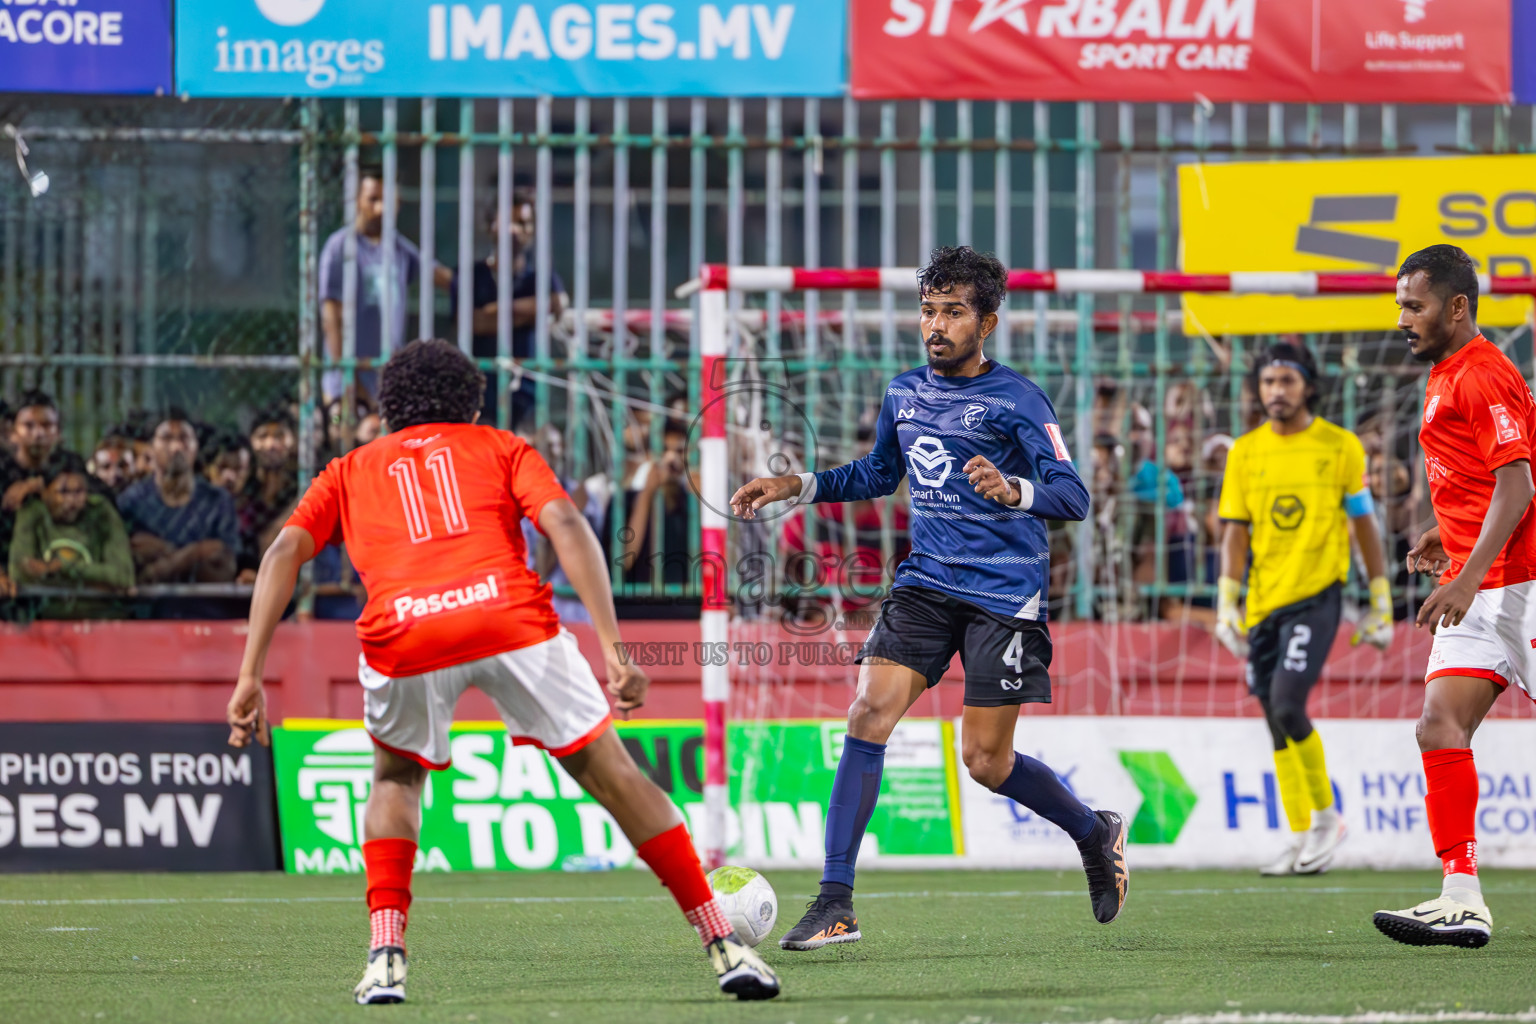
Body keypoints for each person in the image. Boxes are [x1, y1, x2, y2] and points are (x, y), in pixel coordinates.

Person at [225, 339, 779, 1004]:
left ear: (389, 406)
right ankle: (722, 944)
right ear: (472, 401)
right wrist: (611, 645)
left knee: (396, 778)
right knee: (611, 771)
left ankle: (385, 958)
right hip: (507, 618)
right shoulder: (501, 447)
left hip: (403, 631)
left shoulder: (348, 468)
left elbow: (286, 548)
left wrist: (250, 673)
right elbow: (566, 523)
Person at [731, 246, 1127, 951]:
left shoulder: (1019, 400)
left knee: (985, 762)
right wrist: (794, 485)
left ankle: (1094, 831)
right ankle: (835, 902)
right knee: (866, 712)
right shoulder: (903, 391)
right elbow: (881, 472)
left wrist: (1016, 490)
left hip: (1004, 597)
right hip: (926, 584)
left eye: (952, 311)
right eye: (928, 310)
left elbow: (1074, 495)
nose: (935, 324)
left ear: (988, 322)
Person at [1372, 245, 1536, 948]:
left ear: (1457, 307)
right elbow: (1483, 477)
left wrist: (1467, 576)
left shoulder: (1483, 375)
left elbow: (1520, 485)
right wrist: (1447, 532)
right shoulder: (1446, 373)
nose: (1403, 318)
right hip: (1476, 586)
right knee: (1438, 726)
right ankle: (1461, 895)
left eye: (1416, 305)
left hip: (1516, 587)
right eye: (1401, 304)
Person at [1215, 342, 1394, 877]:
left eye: (1286, 382)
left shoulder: (1340, 447)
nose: (1276, 391)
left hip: (1318, 596)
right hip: (1263, 602)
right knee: (1273, 718)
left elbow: (1363, 523)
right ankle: (1298, 834)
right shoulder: (1245, 451)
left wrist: (1380, 598)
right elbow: (1234, 532)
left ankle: (1327, 819)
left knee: (1289, 705)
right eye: (1268, 382)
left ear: (1308, 387)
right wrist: (1227, 600)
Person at [320, 165, 453, 406]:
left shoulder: (399, 248)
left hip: (386, 383)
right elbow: (331, 318)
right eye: (373, 199)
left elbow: (444, 278)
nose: (380, 208)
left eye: (388, 200)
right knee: (344, 437)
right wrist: (346, 374)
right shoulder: (340, 247)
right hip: (346, 384)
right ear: (357, 201)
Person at [451, 186, 568, 424]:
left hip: (529, 396)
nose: (519, 230)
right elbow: (473, 323)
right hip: (479, 397)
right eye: (511, 222)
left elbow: (558, 303)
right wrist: (530, 311)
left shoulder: (540, 275)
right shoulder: (469, 275)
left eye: (525, 223)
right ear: (492, 226)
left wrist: (496, 310)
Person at [117, 413, 238, 583]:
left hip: (205, 604)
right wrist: (197, 553)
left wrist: (166, 555)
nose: (176, 447)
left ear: (196, 446)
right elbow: (130, 559)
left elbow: (225, 564)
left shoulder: (217, 500)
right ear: (150, 447)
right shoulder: (131, 500)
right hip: (147, 606)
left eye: (184, 438)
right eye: (166, 438)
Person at [9, 450, 133, 596]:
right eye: (63, 492)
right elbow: (20, 574)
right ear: (44, 492)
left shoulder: (101, 511)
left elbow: (123, 576)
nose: (72, 501)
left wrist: (60, 568)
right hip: (45, 615)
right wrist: (94, 579)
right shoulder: (32, 512)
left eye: (79, 491)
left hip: (98, 613)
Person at [236, 408, 299, 581]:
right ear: (251, 442)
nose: (271, 444)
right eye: (262, 436)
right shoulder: (242, 489)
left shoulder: (299, 490)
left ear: (293, 441)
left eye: (279, 436)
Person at [0, 389, 63, 555]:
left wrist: (42, 487)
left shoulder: (69, 466)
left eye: (47, 425)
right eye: (29, 425)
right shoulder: (3, 471)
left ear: (58, 433)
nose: (39, 433)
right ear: (12, 433)